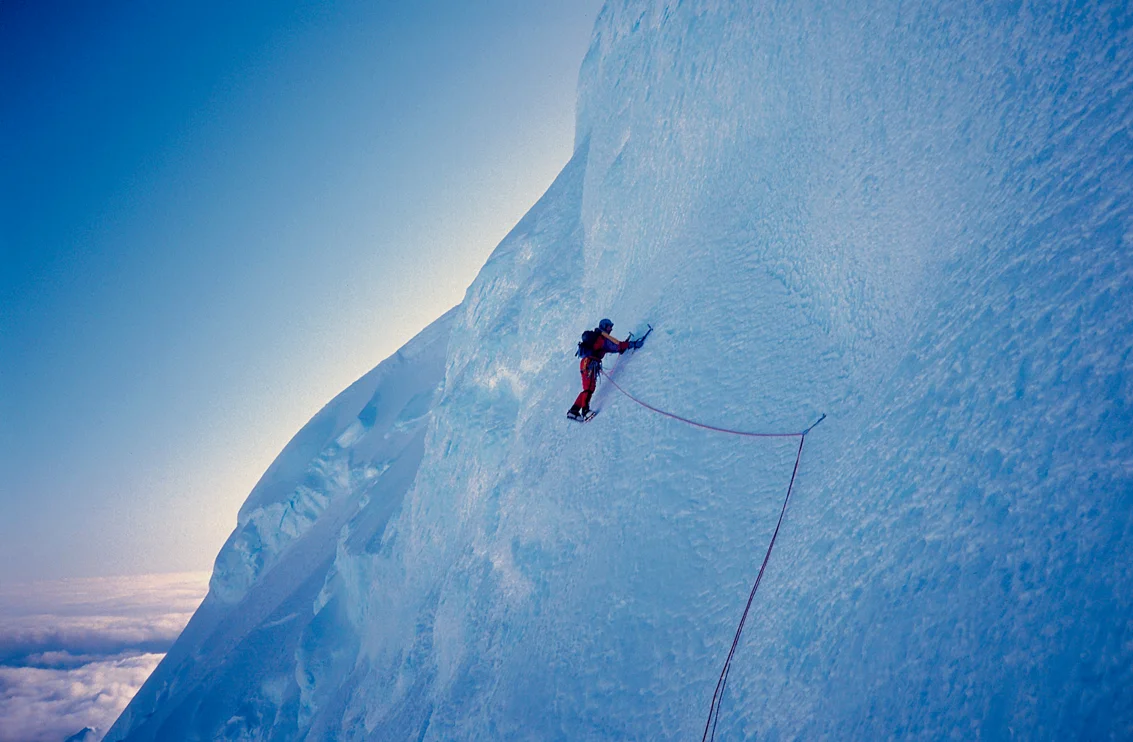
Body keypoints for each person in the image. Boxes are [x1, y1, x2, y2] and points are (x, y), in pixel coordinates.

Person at [568, 318, 642, 420]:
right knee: (589, 388)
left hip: (586, 363)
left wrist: (621, 347)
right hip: (590, 364)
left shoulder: (598, 338)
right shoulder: (601, 339)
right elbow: (616, 346)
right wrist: (632, 344)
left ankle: (573, 411)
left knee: (588, 388)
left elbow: (611, 348)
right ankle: (585, 411)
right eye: (609, 327)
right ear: (604, 326)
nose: (611, 329)